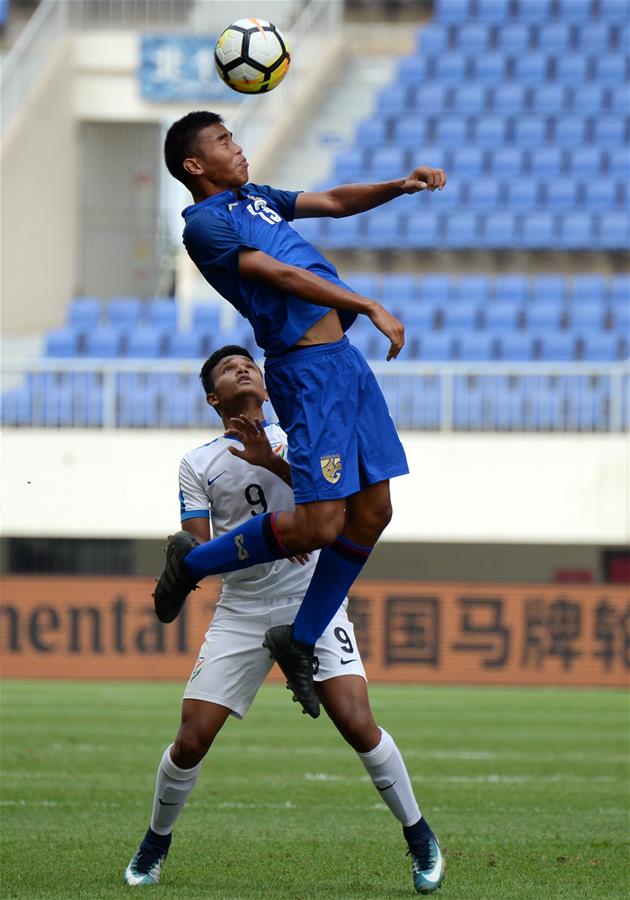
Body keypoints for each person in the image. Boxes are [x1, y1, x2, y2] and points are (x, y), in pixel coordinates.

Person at [155, 110, 447, 718]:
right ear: (194, 165)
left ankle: (300, 639)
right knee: (318, 526)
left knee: (374, 511)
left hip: (343, 362)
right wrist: (366, 302)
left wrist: (400, 185)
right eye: (224, 142)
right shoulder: (204, 225)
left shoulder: (255, 201)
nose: (238, 148)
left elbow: (335, 201)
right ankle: (192, 562)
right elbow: (279, 273)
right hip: (306, 370)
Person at [124, 347, 445, 894]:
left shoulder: (299, 439)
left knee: (357, 723)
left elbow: (333, 513)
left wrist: (270, 464)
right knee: (192, 739)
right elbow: (196, 552)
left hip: (311, 598)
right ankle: (155, 844)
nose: (243, 369)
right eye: (227, 370)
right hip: (242, 609)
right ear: (213, 398)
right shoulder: (197, 463)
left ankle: (421, 839)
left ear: (268, 387)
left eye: (249, 364)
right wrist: (275, 540)